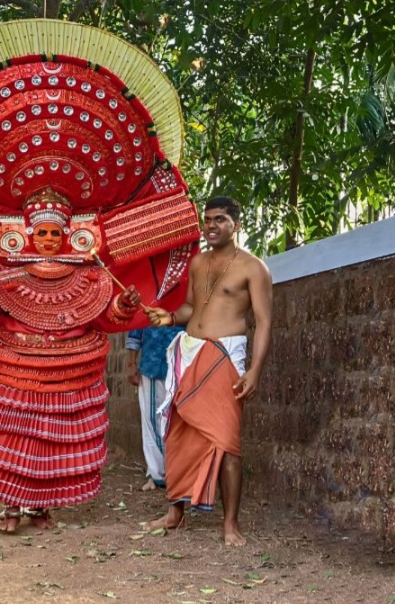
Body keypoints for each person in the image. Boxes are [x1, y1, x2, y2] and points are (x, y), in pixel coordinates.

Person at [0, 187, 142, 534]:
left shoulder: (89, 277)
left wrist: (123, 305)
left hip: (68, 371)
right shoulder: (5, 275)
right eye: (42, 233)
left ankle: (41, 508)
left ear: (66, 236)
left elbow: (106, 318)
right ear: (30, 235)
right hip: (17, 369)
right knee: (13, 439)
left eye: (55, 233)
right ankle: (11, 506)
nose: (48, 239)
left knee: (53, 438)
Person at [142, 196, 272, 547]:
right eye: (207, 220)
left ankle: (230, 525)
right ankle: (175, 514)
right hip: (190, 351)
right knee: (178, 434)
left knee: (227, 442)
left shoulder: (253, 267)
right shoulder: (198, 263)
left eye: (220, 220)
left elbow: (263, 322)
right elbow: (189, 307)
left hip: (224, 357)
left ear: (236, 225)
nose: (211, 226)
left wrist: (255, 370)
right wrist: (169, 317)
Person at [125, 322, 185, 491]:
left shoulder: (187, 296)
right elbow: (136, 330)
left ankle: (176, 473)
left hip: (182, 365)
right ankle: (156, 474)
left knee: (177, 421)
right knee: (151, 421)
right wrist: (131, 363)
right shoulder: (147, 297)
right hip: (152, 364)